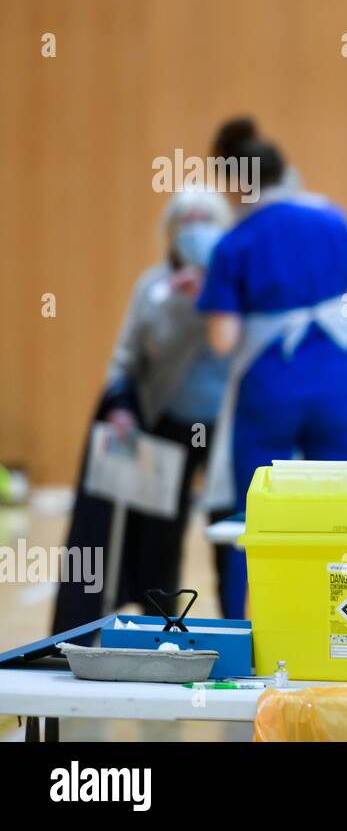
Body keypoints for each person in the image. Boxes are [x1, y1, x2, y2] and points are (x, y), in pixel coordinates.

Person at [197, 130, 347, 619]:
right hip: (336, 382)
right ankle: (344, 621)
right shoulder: (330, 219)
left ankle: (249, 627)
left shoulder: (233, 243)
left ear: (237, 185)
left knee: (254, 512)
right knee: (341, 512)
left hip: (269, 387)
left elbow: (223, 339)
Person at [52, 186, 233, 635]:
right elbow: (125, 358)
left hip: (227, 427)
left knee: (231, 533)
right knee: (159, 538)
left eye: (204, 218)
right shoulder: (152, 287)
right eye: (185, 220)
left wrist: (212, 292)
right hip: (168, 421)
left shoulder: (237, 284)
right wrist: (120, 405)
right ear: (170, 231)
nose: (194, 229)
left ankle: (241, 624)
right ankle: (159, 628)